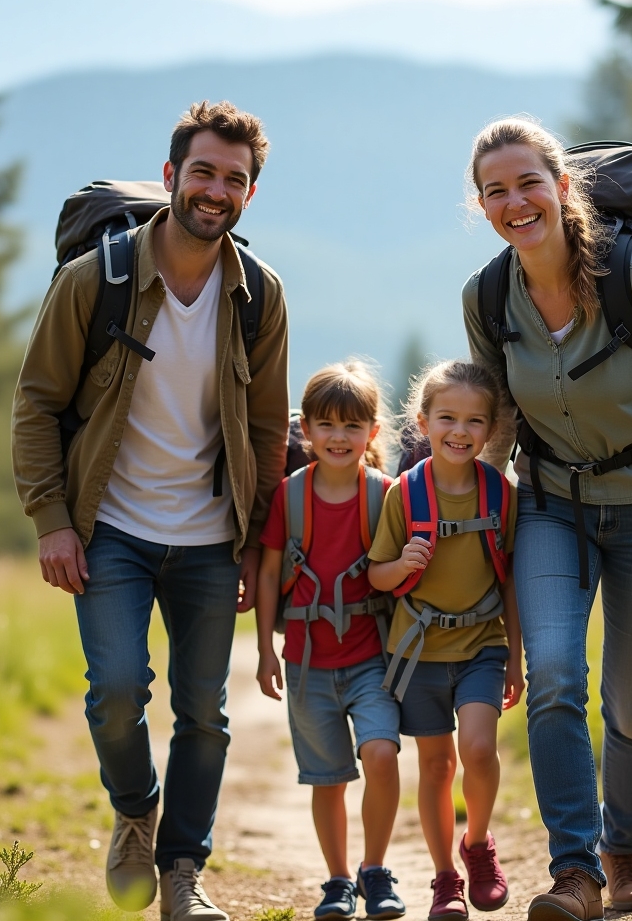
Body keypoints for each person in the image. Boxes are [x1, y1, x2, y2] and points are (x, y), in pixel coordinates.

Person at [11, 101, 290, 921]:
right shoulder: (95, 279)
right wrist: (52, 520)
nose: (216, 190)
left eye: (234, 180)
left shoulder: (258, 295)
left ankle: (182, 874)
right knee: (118, 690)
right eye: (202, 172)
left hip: (211, 539)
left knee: (205, 710)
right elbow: (35, 403)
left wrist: (255, 541)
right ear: (171, 177)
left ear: (248, 196)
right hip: (113, 532)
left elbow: (270, 429)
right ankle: (136, 810)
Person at [462, 118, 632, 921]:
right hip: (550, 507)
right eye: (496, 191)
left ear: (562, 187)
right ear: (481, 206)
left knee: (628, 707)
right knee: (555, 679)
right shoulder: (486, 296)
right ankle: (573, 871)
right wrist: (471, 516)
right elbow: (499, 418)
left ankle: (624, 854)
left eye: (528, 183)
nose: (515, 202)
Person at [368, 360, 524, 921]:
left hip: (483, 644)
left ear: (491, 429)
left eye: (475, 421)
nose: (460, 431)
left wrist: (517, 661)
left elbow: (509, 581)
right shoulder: (402, 495)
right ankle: (443, 879)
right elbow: (376, 574)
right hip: (418, 651)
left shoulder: (501, 495)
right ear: (423, 421)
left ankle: (477, 845)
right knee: (435, 768)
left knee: (478, 750)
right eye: (448, 418)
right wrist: (401, 563)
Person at [255, 361, 405, 921]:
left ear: (372, 432)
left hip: (372, 658)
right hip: (307, 662)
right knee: (328, 778)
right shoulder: (289, 497)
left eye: (351, 426)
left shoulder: (384, 495)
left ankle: (375, 870)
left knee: (382, 754)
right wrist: (266, 650)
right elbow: (270, 574)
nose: (338, 438)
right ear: (306, 431)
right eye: (326, 426)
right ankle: (338, 881)